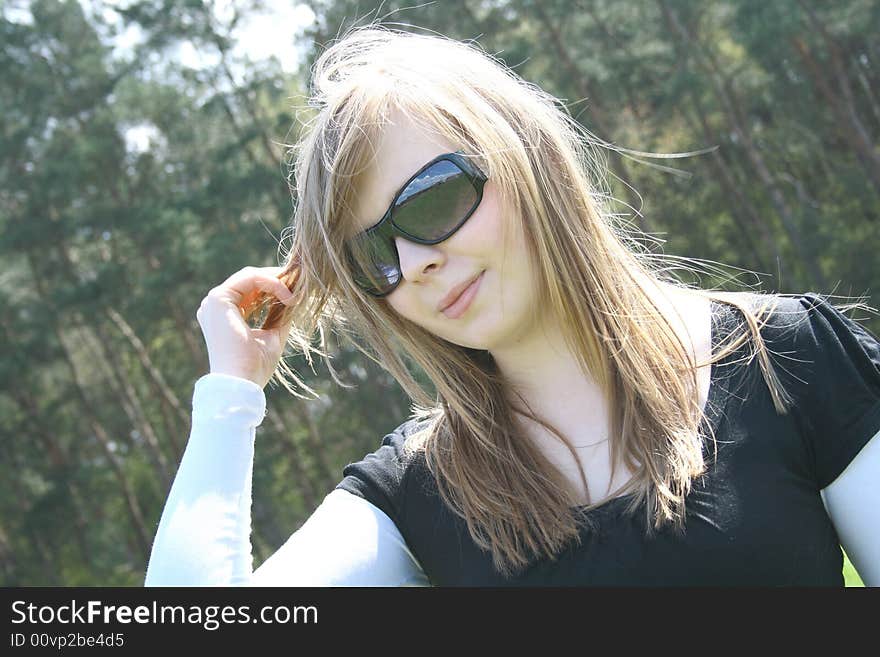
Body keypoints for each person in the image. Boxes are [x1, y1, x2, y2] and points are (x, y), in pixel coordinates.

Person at [144, 26, 880, 587]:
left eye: (430, 200)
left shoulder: (786, 357)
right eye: (374, 256)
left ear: (525, 154)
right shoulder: (415, 494)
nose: (414, 264)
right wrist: (230, 391)